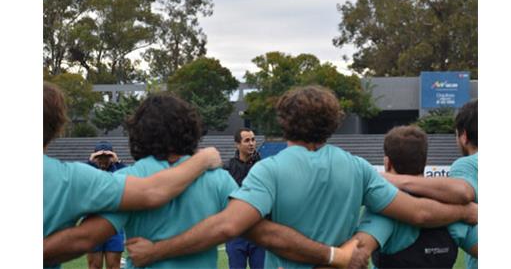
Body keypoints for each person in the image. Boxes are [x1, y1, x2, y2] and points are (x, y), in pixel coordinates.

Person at [123, 85, 477, 269]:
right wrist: (462, 212)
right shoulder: (353, 166)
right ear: (333, 123)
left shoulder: (270, 169)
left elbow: (226, 227)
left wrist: (157, 252)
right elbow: (419, 214)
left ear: (285, 122)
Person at [43, 92, 362, 268]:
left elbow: (84, 239)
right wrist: (329, 255)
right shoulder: (218, 179)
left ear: (138, 132)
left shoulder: (130, 179)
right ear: (190, 130)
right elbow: (263, 232)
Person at [43, 82, 221, 268]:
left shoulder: (124, 174)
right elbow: (153, 192)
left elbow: (85, 238)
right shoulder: (71, 178)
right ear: (57, 126)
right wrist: (204, 158)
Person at [351, 125, 477, 268]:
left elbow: (357, 253)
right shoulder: (457, 211)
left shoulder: (385, 209)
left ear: (387, 163)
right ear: (425, 162)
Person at [382, 100, 478, 269]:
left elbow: (463, 192)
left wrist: (393, 180)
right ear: (425, 162)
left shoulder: (467, 164)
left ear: (463, 136)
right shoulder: (457, 223)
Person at [224, 128, 265, 269]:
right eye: (247, 140)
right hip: (236, 233)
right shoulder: (227, 168)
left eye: (253, 139)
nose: (251, 143)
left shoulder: (264, 167)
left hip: (259, 231)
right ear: (237, 144)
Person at [86, 141, 126, 269]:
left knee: (114, 265)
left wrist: (117, 161)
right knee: (94, 265)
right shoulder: (88, 170)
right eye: (99, 157)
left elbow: (130, 175)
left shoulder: (118, 170)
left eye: (106, 157)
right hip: (92, 225)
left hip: (114, 225)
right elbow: (78, 175)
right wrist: (91, 161)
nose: (103, 160)